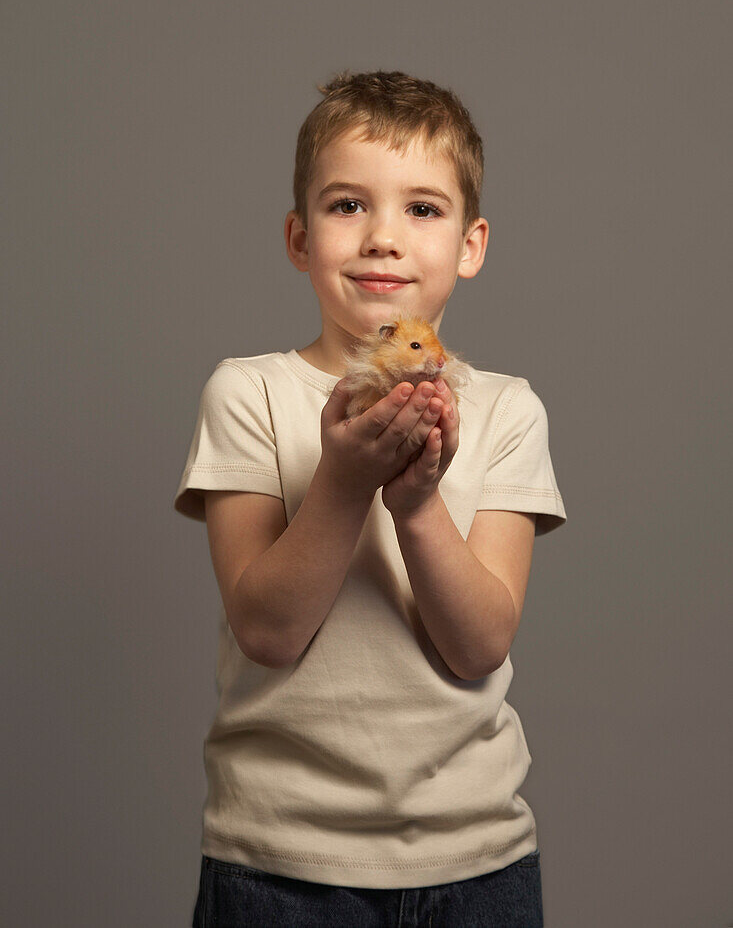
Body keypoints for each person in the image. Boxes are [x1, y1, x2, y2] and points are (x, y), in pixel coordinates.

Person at [174, 69, 567, 927]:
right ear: (297, 236)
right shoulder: (247, 394)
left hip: (476, 860)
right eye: (348, 205)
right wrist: (344, 482)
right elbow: (269, 632)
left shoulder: (506, 408)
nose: (383, 238)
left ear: (471, 244)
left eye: (422, 209)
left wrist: (418, 504)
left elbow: (478, 646)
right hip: (278, 860)